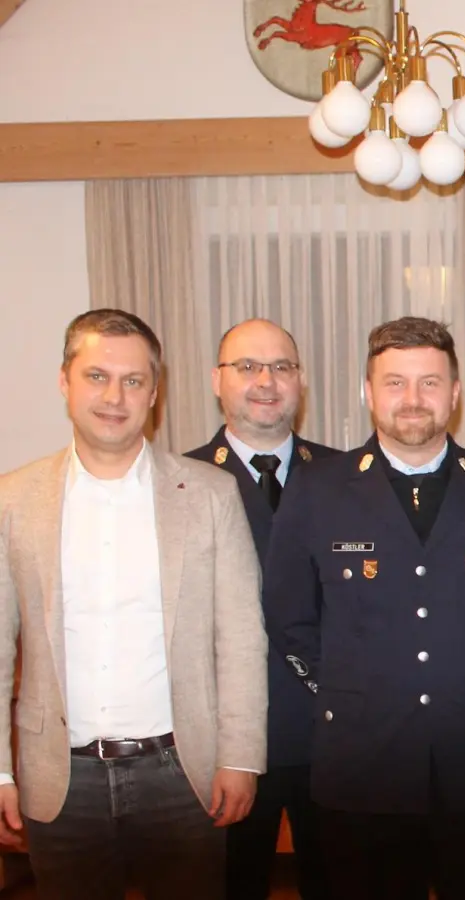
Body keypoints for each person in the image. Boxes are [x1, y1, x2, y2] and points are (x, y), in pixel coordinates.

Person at [262, 317, 465, 900]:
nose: (413, 398)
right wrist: (350, 688)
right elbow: (289, 617)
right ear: (368, 392)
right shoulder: (315, 489)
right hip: (361, 769)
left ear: (455, 393)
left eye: (429, 382)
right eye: (395, 382)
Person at [0, 309, 267, 899]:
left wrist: (241, 757)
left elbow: (242, 638)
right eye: (96, 376)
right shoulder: (12, 500)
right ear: (64, 381)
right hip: (59, 779)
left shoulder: (211, 494)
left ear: (154, 391)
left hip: (182, 774)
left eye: (133, 380)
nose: (114, 397)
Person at [185, 318, 337, 900]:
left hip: (334, 738)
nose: (266, 381)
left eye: (282, 367)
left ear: (301, 380)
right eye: (247, 366)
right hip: (223, 744)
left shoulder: (349, 479)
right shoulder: (180, 483)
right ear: (216, 380)